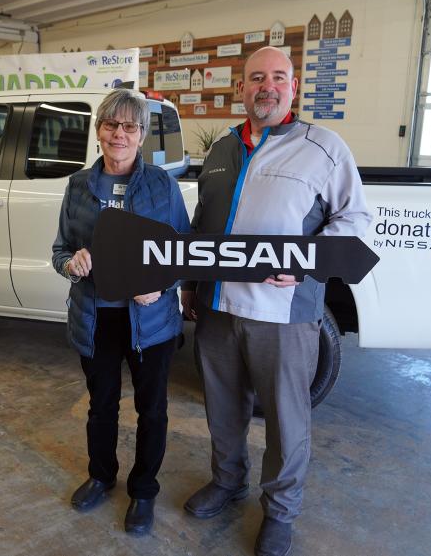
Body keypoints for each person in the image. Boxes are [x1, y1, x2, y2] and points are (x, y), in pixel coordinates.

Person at [181, 47, 372, 556]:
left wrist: (308, 260)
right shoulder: (222, 150)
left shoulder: (323, 147)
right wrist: (189, 285)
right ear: (242, 88)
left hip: (282, 315)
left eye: (278, 78)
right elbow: (203, 227)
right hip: (219, 307)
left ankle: (281, 512)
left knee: (287, 418)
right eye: (256, 78)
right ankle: (228, 481)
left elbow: (355, 221)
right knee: (222, 408)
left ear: (293, 87)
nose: (267, 86)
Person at [52, 88, 190, 535]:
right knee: (102, 406)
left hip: (150, 323)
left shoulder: (161, 186)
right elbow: (60, 250)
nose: (119, 134)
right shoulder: (77, 187)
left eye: (130, 126)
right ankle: (101, 476)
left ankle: (144, 491)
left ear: (142, 134)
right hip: (97, 318)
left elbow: (184, 251)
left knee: (152, 410)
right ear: (99, 131)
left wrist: (162, 283)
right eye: (111, 125)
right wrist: (71, 265)